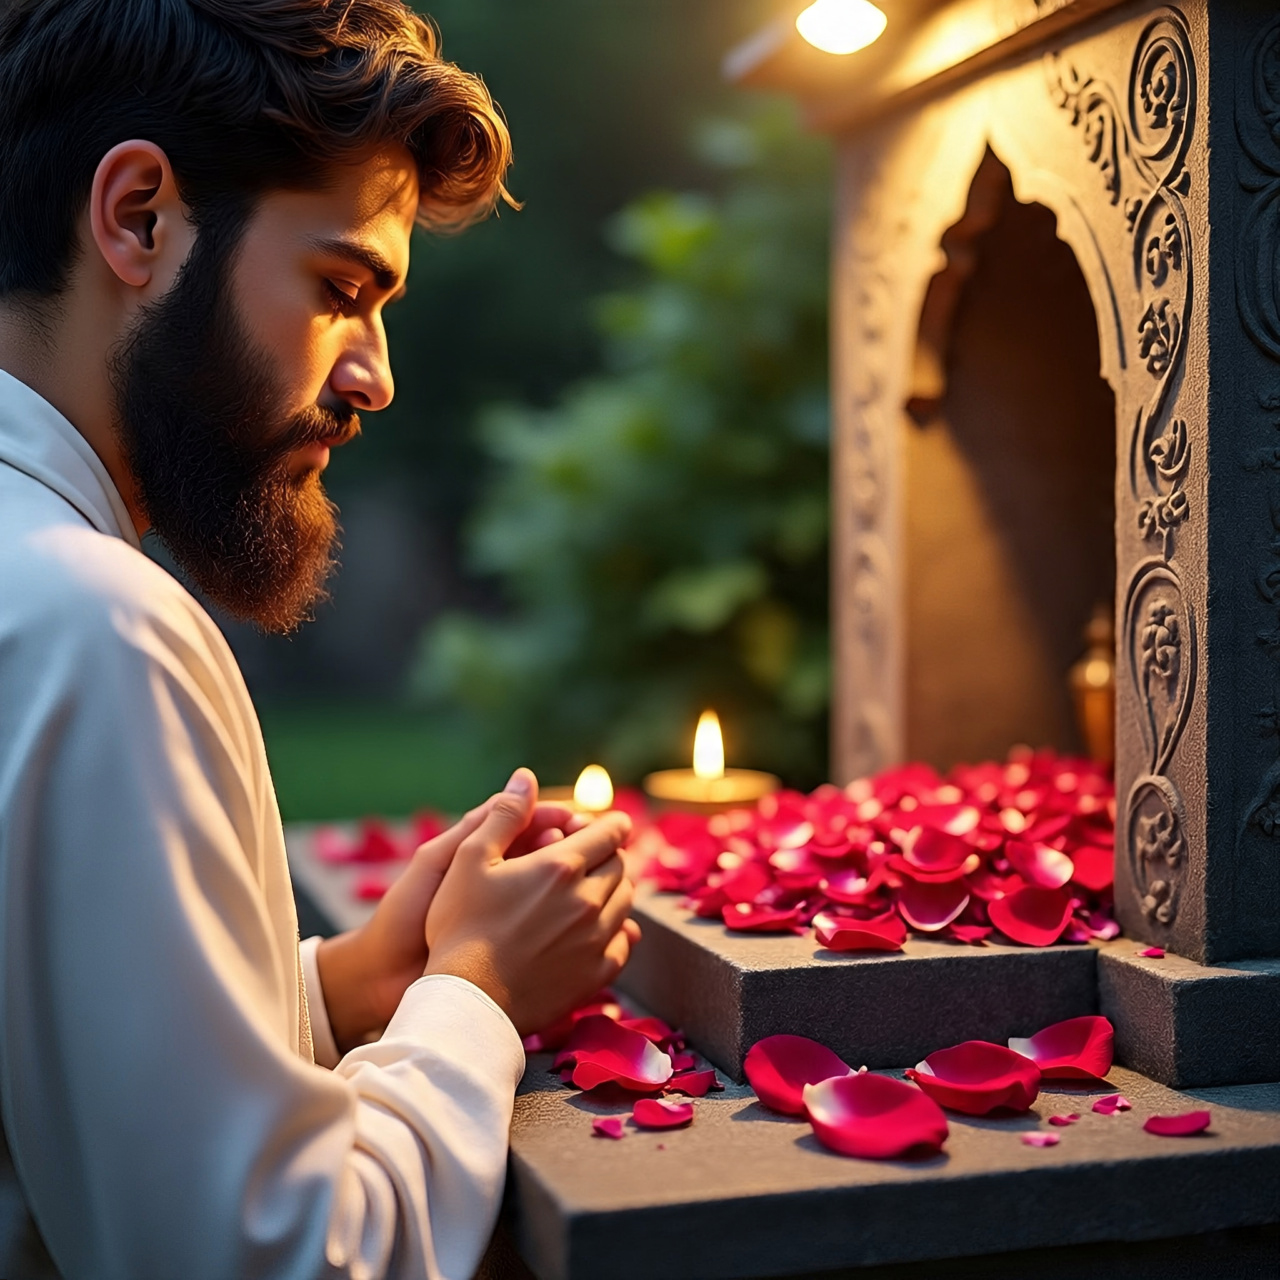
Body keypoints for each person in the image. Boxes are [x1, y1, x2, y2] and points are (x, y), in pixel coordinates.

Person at [0, 2, 638, 1277]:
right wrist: (473, 990)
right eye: (342, 289)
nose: (374, 376)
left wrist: (350, 980)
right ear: (139, 216)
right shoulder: (96, 625)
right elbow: (268, 1252)